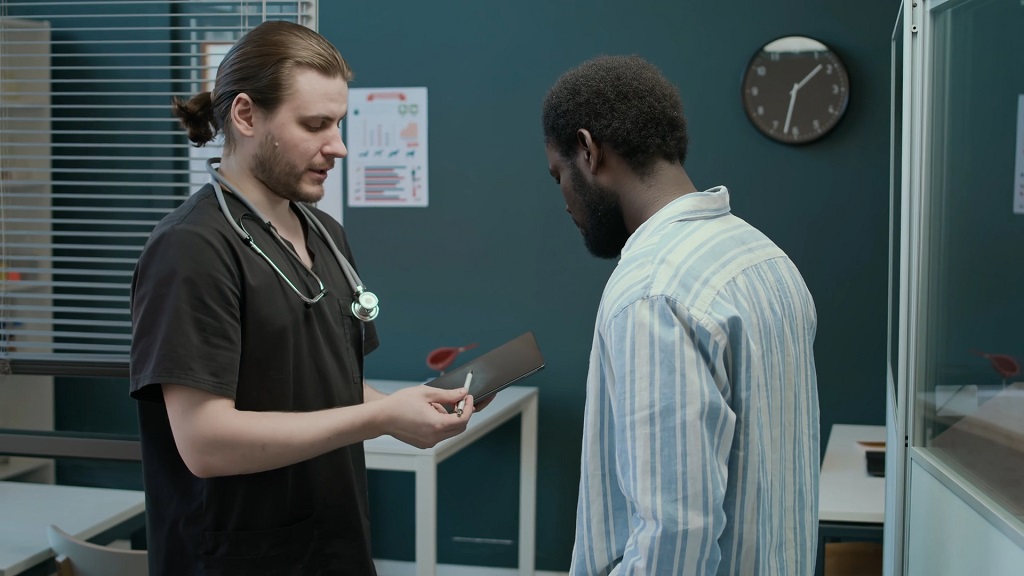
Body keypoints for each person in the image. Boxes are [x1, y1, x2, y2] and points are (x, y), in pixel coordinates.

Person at [129, 21, 476, 575]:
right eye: (315, 125)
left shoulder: (325, 234)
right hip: (239, 556)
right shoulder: (190, 247)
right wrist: (383, 417)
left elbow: (333, 382)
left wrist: (404, 405)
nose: (337, 146)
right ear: (245, 116)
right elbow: (206, 442)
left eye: (338, 123)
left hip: (333, 542)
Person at [542, 55, 820, 575]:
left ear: (588, 149)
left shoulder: (652, 293)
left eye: (558, 174)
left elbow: (673, 542)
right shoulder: (763, 255)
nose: (563, 200)